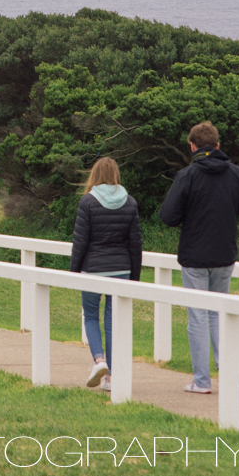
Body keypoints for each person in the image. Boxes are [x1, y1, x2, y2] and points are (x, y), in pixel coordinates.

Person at [158, 122, 239, 395]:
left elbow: (168, 216)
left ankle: (202, 381)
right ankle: (227, 374)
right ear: (218, 145)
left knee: (198, 317)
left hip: (194, 256)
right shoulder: (235, 173)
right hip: (224, 255)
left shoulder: (187, 175)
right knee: (217, 315)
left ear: (192, 146)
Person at [69, 156, 144, 391]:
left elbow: (80, 241)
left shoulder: (88, 202)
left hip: (93, 269)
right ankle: (111, 377)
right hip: (122, 269)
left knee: (90, 316)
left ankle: (99, 360)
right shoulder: (129, 202)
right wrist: (135, 277)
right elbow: (135, 244)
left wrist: (74, 271)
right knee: (112, 322)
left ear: (95, 175)